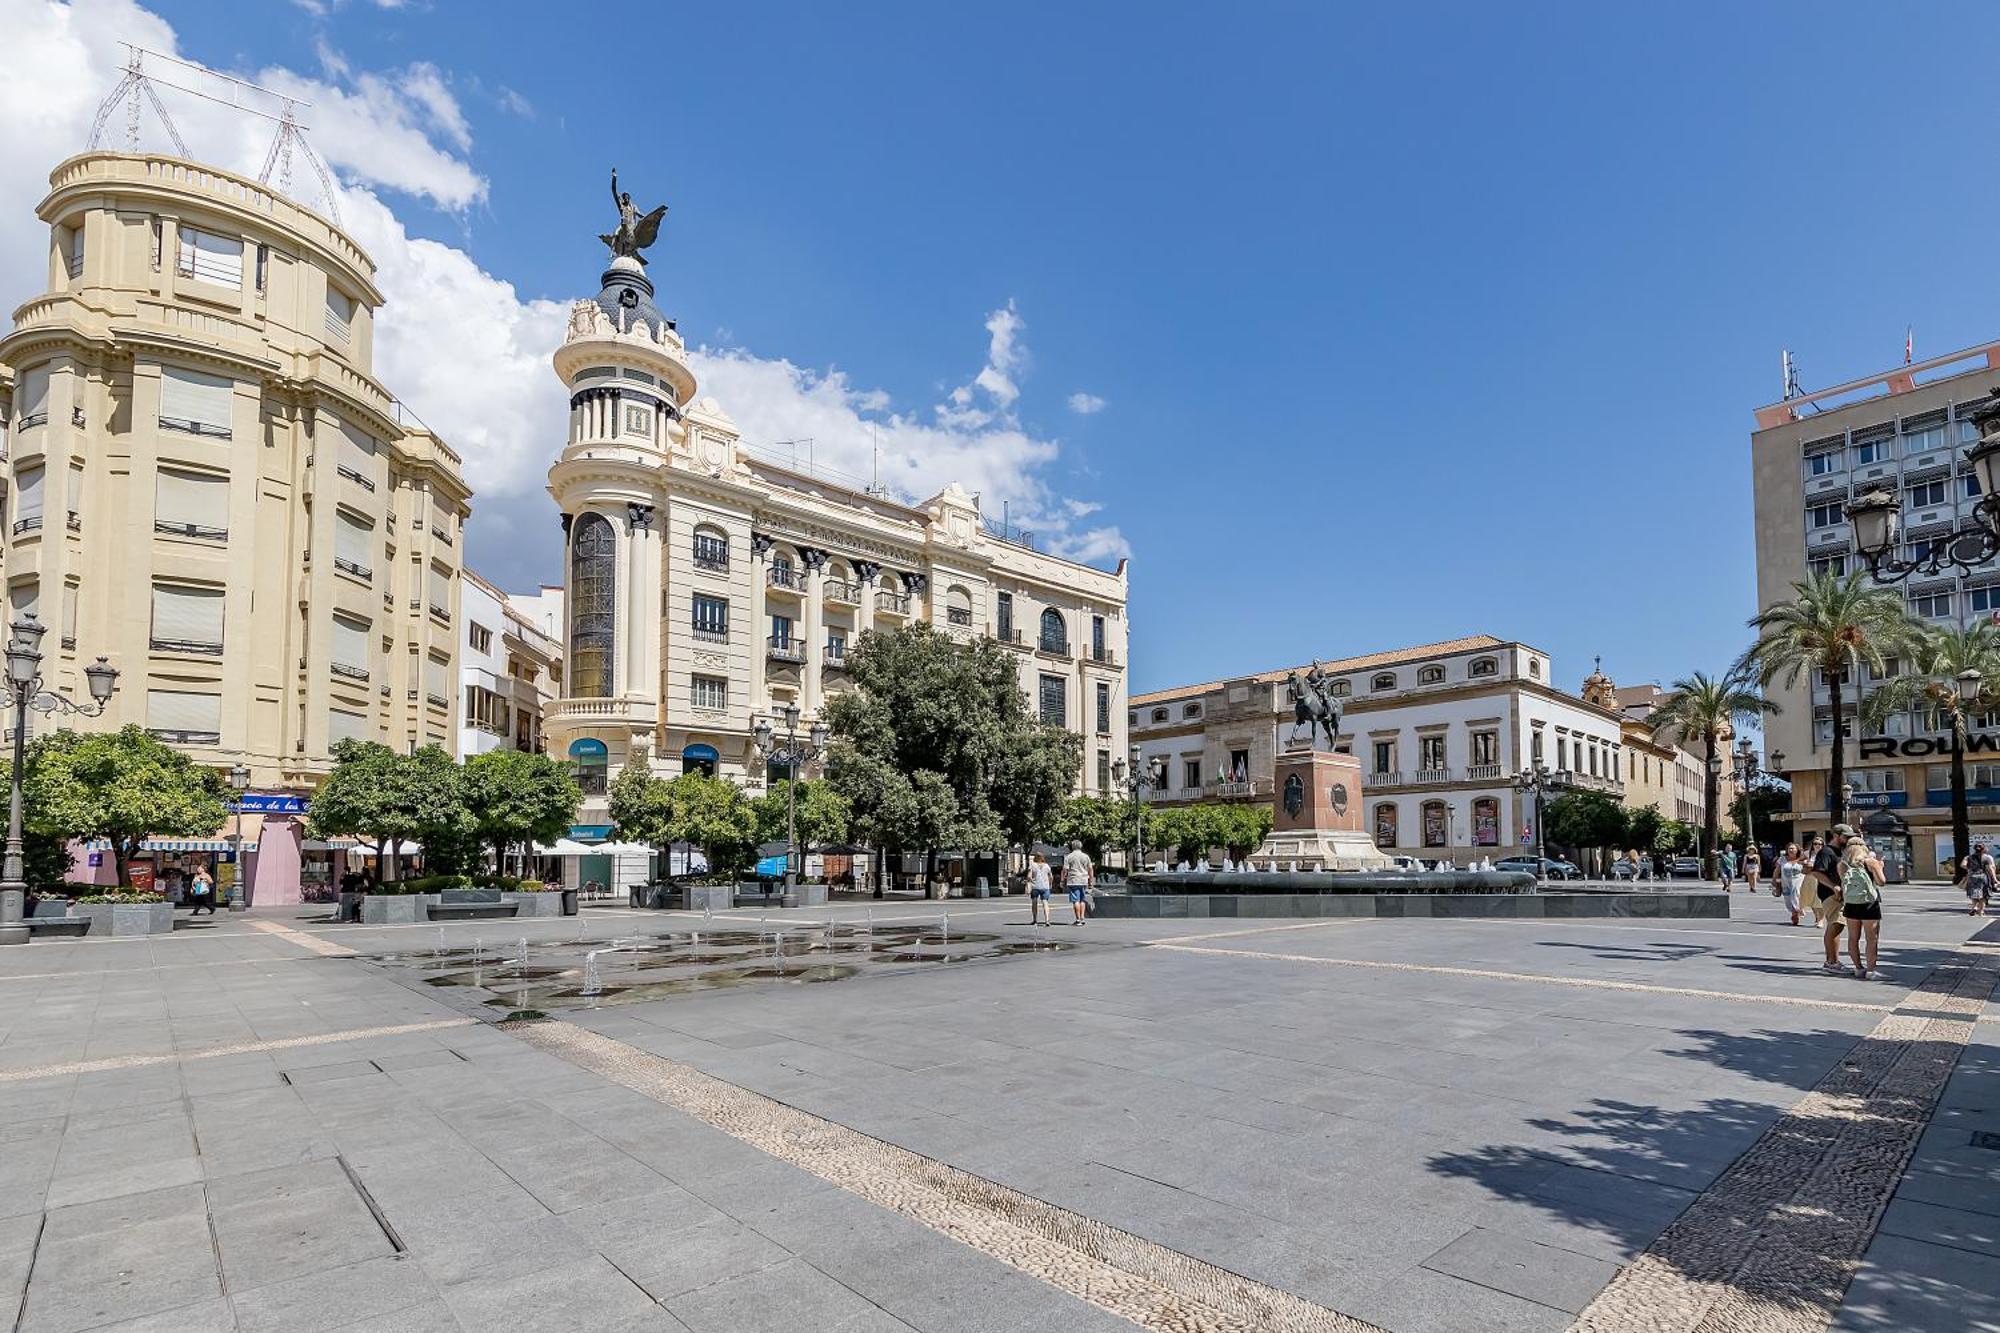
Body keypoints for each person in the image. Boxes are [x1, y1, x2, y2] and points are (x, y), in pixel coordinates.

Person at [1841, 836, 1887, 979]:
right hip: (1869, 904)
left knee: (1853, 938)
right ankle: (1871, 970)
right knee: (1871, 939)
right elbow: (1882, 882)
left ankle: (1858, 968)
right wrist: (1880, 867)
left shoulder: (1842, 864)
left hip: (1851, 904)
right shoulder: (1870, 862)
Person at [1806, 826, 1850, 974]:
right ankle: (1832, 962)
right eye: (1846, 836)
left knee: (1836, 925)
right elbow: (1817, 872)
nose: (1848, 839)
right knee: (1836, 924)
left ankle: (1831, 960)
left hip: (1839, 894)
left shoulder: (1840, 851)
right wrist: (1834, 887)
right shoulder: (1826, 852)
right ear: (1836, 835)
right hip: (1830, 894)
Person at [1062, 839, 1094, 926]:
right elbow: (1090, 869)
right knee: (1082, 900)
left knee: (1075, 900)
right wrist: (1091, 880)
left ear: (1072, 846)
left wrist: (1063, 879)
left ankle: (1078, 919)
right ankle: (1082, 918)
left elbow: (1065, 870)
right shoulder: (1086, 856)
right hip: (1084, 879)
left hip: (1073, 880)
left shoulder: (1069, 857)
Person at [1777, 843, 1806, 927]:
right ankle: (1795, 912)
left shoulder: (1802, 859)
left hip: (1798, 881)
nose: (1791, 850)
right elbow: (1777, 870)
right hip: (1786, 882)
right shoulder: (1782, 859)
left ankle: (1795, 914)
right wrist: (1774, 880)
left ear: (1797, 850)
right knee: (1788, 899)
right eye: (1789, 848)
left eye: (1793, 848)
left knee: (1795, 895)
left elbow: (1808, 869)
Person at [1964, 843, 1996, 919]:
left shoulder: (1969, 857)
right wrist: (1995, 879)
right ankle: (1981, 912)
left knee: (1974, 893)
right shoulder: (1986, 857)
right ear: (1984, 849)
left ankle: (1974, 907)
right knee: (1984, 894)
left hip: (1973, 876)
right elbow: (1991, 869)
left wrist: (1970, 869)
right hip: (1983, 876)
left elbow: (1963, 865)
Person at [1026, 852, 1053, 927]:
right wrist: (1050, 884)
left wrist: (1030, 882)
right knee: (1045, 903)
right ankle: (1047, 920)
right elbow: (1051, 876)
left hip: (1035, 886)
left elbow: (1029, 876)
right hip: (1045, 886)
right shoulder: (1047, 866)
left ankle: (1035, 920)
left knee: (1034, 902)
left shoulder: (1032, 865)